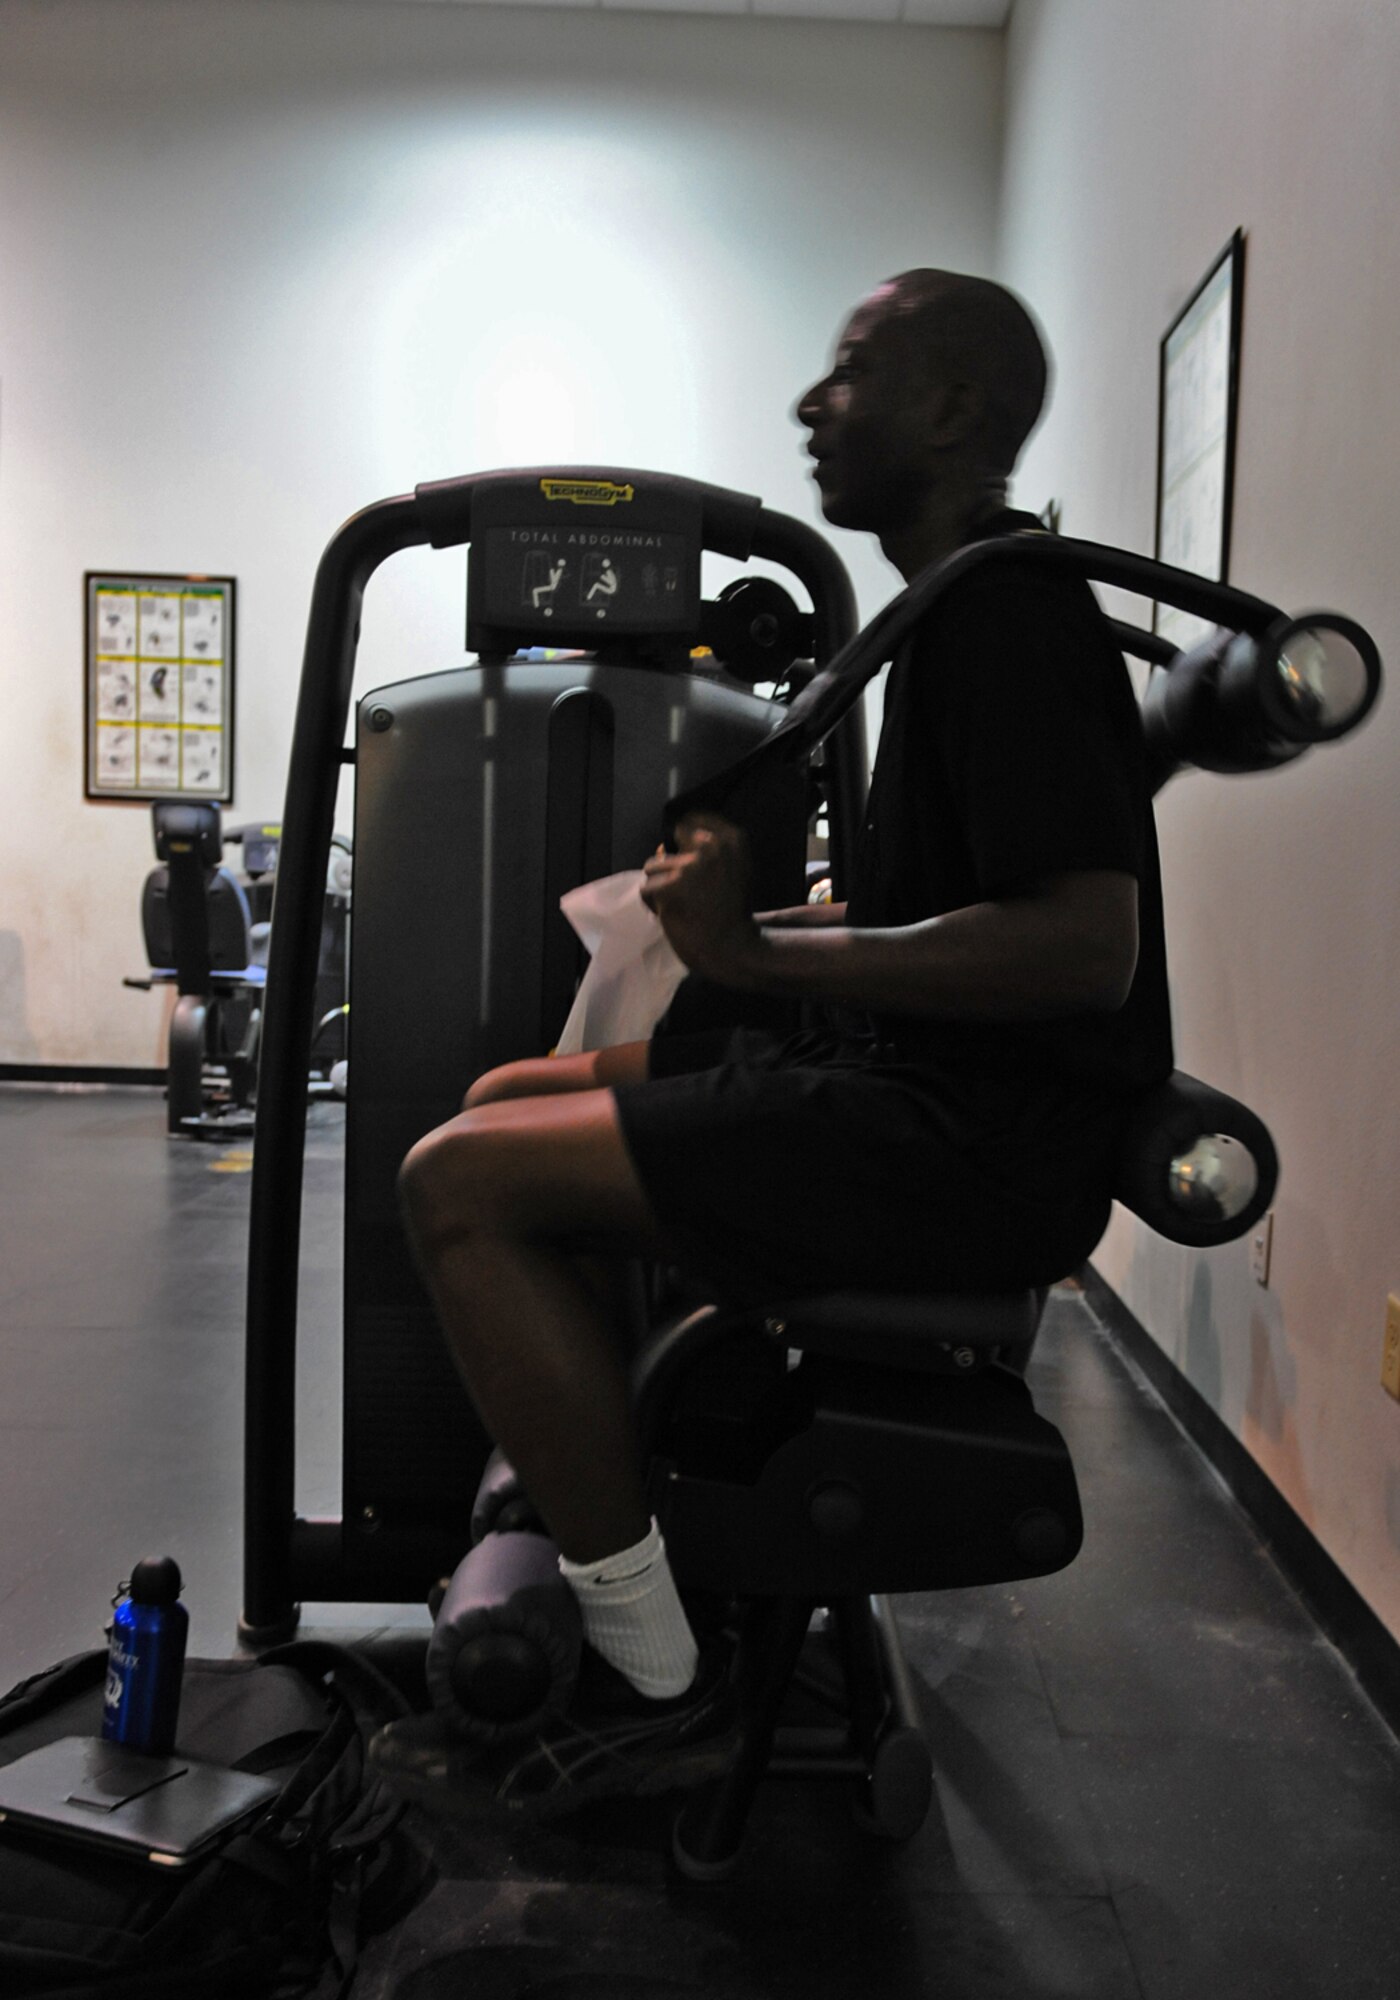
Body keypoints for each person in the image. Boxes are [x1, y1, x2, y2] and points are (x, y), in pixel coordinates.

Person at [367, 269, 1173, 1820]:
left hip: (961, 1148)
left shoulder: (1005, 617)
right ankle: (603, 1470)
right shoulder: (949, 618)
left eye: (851, 373)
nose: (816, 404)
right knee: (502, 1098)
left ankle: (652, 1666)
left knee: (452, 1182)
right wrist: (751, 931)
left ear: (949, 411)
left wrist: (745, 949)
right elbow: (938, 920)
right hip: (906, 1093)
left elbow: (1087, 945)